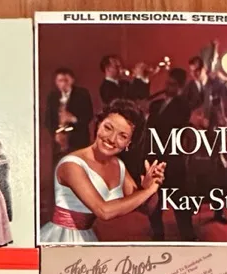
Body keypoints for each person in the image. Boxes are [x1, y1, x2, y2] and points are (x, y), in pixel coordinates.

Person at [40, 99, 166, 243]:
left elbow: (146, 209)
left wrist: (151, 187)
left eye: (123, 136)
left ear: (128, 143)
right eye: (108, 128)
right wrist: (147, 191)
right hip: (61, 238)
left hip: (87, 237)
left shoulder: (118, 165)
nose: (111, 139)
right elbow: (104, 211)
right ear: (99, 124)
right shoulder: (71, 165)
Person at [183, 55, 227, 226]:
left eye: (197, 70)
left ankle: (218, 210)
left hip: (217, 133)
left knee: (219, 173)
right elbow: (181, 109)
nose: (194, 74)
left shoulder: (217, 84)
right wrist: (193, 117)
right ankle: (193, 205)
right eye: (191, 71)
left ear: (204, 69)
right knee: (196, 172)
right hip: (196, 135)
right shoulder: (189, 87)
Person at [147, 68, 196, 241]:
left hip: (172, 159)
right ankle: (157, 234)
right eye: (167, 83)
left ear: (180, 87)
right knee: (153, 198)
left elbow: (171, 126)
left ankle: (188, 235)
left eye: (172, 84)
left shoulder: (183, 106)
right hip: (154, 157)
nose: (167, 87)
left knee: (179, 198)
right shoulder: (156, 105)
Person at [44, 67, 94, 162]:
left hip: (78, 140)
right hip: (58, 143)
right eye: (60, 80)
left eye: (66, 80)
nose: (63, 84)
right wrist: (55, 133)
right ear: (56, 82)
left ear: (72, 80)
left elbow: (88, 115)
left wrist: (73, 118)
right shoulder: (52, 96)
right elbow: (48, 119)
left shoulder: (82, 94)